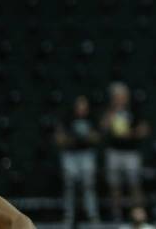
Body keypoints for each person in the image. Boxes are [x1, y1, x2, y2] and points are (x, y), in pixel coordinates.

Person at [100, 82, 150, 220]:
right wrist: (112, 113)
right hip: (114, 151)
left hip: (131, 152)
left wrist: (131, 133)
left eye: (123, 96)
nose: (121, 99)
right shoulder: (109, 111)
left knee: (135, 184)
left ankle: (139, 214)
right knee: (114, 186)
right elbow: (103, 128)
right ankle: (117, 215)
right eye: (118, 96)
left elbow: (145, 129)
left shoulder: (134, 110)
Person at [55, 94, 101, 226]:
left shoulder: (92, 118)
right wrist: (70, 139)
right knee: (69, 185)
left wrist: (86, 137)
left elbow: (97, 137)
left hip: (86, 154)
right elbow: (59, 138)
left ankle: (92, 215)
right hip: (70, 154)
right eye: (79, 106)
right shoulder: (67, 118)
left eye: (84, 106)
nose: (81, 109)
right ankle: (68, 216)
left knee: (89, 185)